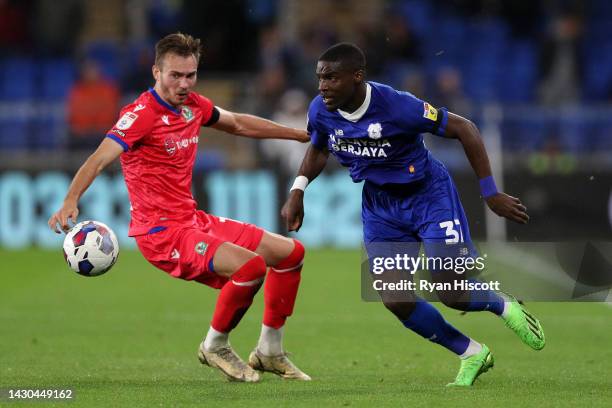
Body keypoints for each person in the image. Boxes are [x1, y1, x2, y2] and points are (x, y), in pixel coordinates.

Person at [48, 33, 311, 383]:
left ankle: (269, 351)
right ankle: (214, 345)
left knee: (290, 253)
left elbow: (237, 123)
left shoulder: (193, 106)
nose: (184, 84)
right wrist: (70, 198)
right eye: (176, 75)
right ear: (156, 72)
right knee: (251, 267)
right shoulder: (140, 114)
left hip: (192, 220)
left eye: (191, 75)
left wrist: (295, 133)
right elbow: (99, 158)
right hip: (161, 233)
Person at [281, 43, 545, 387]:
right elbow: (318, 146)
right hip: (381, 207)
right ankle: (471, 353)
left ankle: (502, 304)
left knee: (451, 292)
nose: (322, 86)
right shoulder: (321, 110)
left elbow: (465, 129)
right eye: (319, 78)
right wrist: (298, 190)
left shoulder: (398, 106)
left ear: (357, 77)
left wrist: (490, 192)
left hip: (428, 196)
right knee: (396, 298)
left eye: (331, 77)